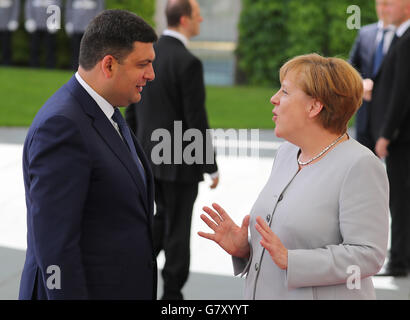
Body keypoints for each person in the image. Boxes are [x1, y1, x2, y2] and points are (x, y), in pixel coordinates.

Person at [199, 54, 390, 300]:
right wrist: (246, 249)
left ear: (314, 106)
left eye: (285, 92)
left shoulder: (360, 165)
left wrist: (293, 261)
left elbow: (368, 256)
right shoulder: (287, 152)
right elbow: (281, 241)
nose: (274, 99)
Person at [19, 9, 158, 300]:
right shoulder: (62, 127)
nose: (151, 74)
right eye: (143, 64)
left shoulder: (107, 112)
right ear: (108, 65)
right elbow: (55, 249)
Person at [125, 0, 218, 300]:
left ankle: (132, 269)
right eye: (197, 15)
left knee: (161, 218)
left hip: (148, 159)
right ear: (184, 19)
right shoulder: (188, 62)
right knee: (177, 227)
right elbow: (196, 120)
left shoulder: (146, 56)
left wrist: (134, 150)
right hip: (180, 163)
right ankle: (173, 294)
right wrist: (211, 165)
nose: (201, 20)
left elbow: (132, 107)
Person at [369, 0, 410, 277]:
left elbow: (401, 93)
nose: (382, 7)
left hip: (401, 139)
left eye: (389, 2)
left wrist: (386, 134)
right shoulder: (401, 37)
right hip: (401, 138)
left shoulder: (406, 41)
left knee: (400, 201)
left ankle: (398, 262)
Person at [349, 0, 396, 151]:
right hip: (366, 116)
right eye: (379, 4)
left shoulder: (404, 37)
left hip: (394, 116)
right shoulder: (365, 33)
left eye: (387, 4)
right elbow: (350, 67)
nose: (382, 9)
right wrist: (360, 83)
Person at [65, 0, 105, 70]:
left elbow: (100, 8)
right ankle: (74, 68)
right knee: (75, 50)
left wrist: (97, 23)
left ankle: (89, 69)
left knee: (90, 51)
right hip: (76, 25)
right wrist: (69, 22)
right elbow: (69, 8)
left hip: (90, 26)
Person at [24, 0, 61, 68]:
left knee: (50, 47)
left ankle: (50, 66)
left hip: (50, 25)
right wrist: (29, 19)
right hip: (35, 24)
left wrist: (55, 20)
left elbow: (57, 6)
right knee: (34, 47)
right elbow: (28, 6)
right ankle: (33, 65)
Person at [0, 0, 20, 65]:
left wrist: (14, 19)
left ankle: (6, 63)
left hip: (7, 24)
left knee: (6, 45)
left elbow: (16, 8)